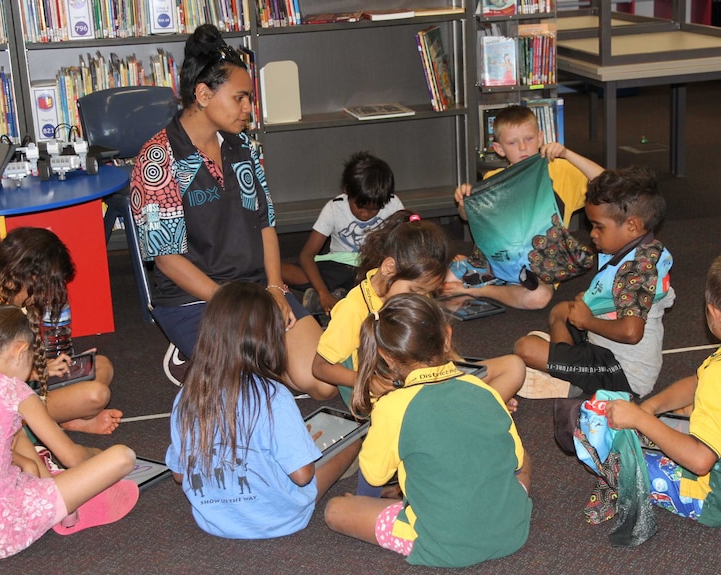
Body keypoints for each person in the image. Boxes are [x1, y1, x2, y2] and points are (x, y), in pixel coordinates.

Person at [130, 24, 335, 400]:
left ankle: (257, 367)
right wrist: (233, 305)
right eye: (240, 98)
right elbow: (167, 259)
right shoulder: (158, 159)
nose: (248, 108)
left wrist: (273, 289)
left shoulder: (243, 147)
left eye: (249, 99)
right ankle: (198, 354)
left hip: (256, 288)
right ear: (204, 94)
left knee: (322, 383)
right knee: (251, 395)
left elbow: (265, 225)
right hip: (198, 300)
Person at [324, 294, 532, 568]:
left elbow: (374, 476)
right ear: (447, 337)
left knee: (336, 510)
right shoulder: (483, 389)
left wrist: (363, 503)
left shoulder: (392, 406)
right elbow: (515, 462)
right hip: (512, 530)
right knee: (524, 457)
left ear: (385, 355)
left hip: (441, 543)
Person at [0, 305, 138, 570]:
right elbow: (72, 457)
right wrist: (96, 457)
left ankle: (57, 498)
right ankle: (63, 508)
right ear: (19, 350)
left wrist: (24, 462)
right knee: (122, 456)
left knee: (18, 440)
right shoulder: (13, 390)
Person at [604, 247, 721, 526]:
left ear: (714, 313)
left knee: (610, 450)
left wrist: (639, 418)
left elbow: (701, 461)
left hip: (719, 500)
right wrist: (651, 407)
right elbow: (699, 382)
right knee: (663, 421)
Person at [165, 282, 359, 539]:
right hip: (282, 518)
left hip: (213, 520)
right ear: (269, 339)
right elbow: (301, 476)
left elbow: (180, 475)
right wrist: (300, 450)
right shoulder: (274, 396)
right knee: (352, 440)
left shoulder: (187, 396)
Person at [313, 210, 525, 409]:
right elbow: (320, 367)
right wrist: (366, 380)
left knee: (514, 367)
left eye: (427, 292)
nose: (420, 298)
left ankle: (473, 408)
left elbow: (440, 354)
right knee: (436, 406)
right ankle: (476, 409)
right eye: (415, 290)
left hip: (429, 382)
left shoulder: (417, 296)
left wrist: (465, 379)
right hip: (394, 399)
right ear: (389, 268)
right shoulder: (353, 308)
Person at [514, 166, 675, 398]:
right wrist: (587, 307)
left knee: (525, 348)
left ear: (632, 226)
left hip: (623, 373)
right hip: (602, 346)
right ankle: (571, 368)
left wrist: (587, 320)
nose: (592, 234)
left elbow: (631, 332)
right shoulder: (636, 247)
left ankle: (571, 381)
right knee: (561, 311)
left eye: (599, 227)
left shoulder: (637, 270)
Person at [0, 226, 122, 435]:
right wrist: (39, 373)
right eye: (47, 287)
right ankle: (57, 422)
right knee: (96, 394)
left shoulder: (5, 294)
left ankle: (68, 418)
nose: (48, 296)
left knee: (102, 365)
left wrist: (44, 368)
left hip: (24, 383)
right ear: (29, 276)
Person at [445, 105, 604, 310]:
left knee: (539, 298)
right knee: (445, 284)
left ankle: (477, 290)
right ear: (499, 149)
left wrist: (567, 154)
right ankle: (483, 277)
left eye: (528, 139)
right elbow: (468, 219)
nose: (522, 148)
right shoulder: (492, 180)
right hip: (496, 262)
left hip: (539, 267)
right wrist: (464, 203)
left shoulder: (559, 170)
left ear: (540, 138)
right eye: (512, 142)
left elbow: (606, 181)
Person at [281, 151, 404, 315]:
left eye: (374, 209)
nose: (365, 215)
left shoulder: (392, 204)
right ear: (347, 191)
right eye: (360, 207)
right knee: (282, 269)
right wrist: (323, 292)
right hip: (339, 266)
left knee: (390, 275)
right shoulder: (334, 208)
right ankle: (333, 296)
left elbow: (406, 242)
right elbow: (307, 255)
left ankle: (338, 298)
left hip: (374, 265)